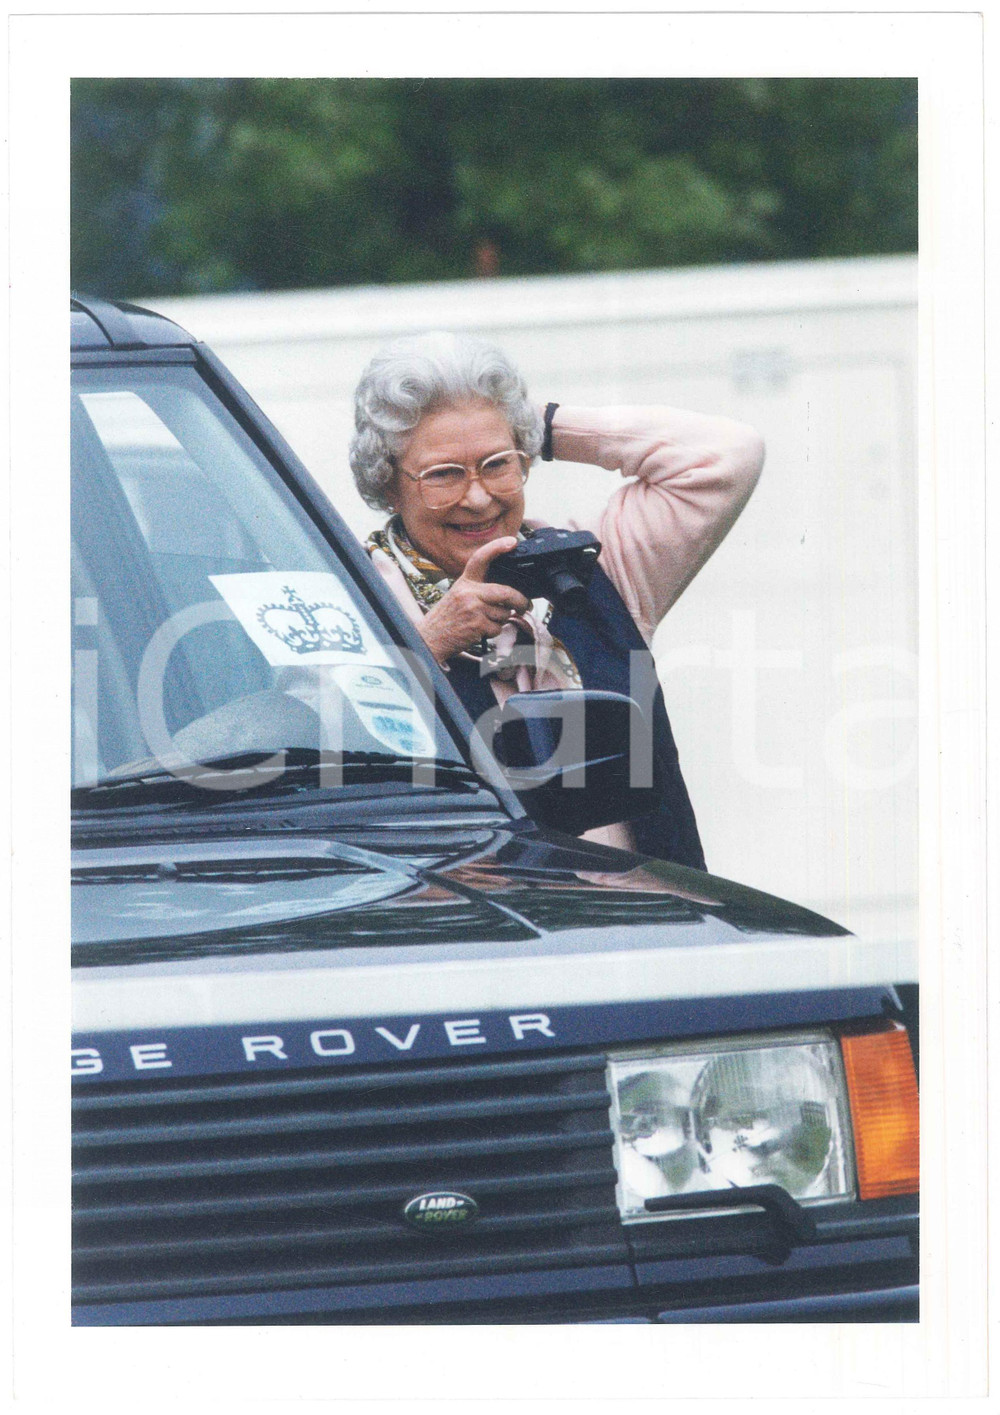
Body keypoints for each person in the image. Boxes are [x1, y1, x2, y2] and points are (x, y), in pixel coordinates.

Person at [349, 331, 764, 869]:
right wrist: (430, 643)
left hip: (645, 929)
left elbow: (727, 455)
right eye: (444, 475)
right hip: (488, 935)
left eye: (498, 463)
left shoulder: (595, 565)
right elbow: (311, 751)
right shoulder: (354, 593)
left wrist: (538, 425)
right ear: (387, 483)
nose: (478, 498)